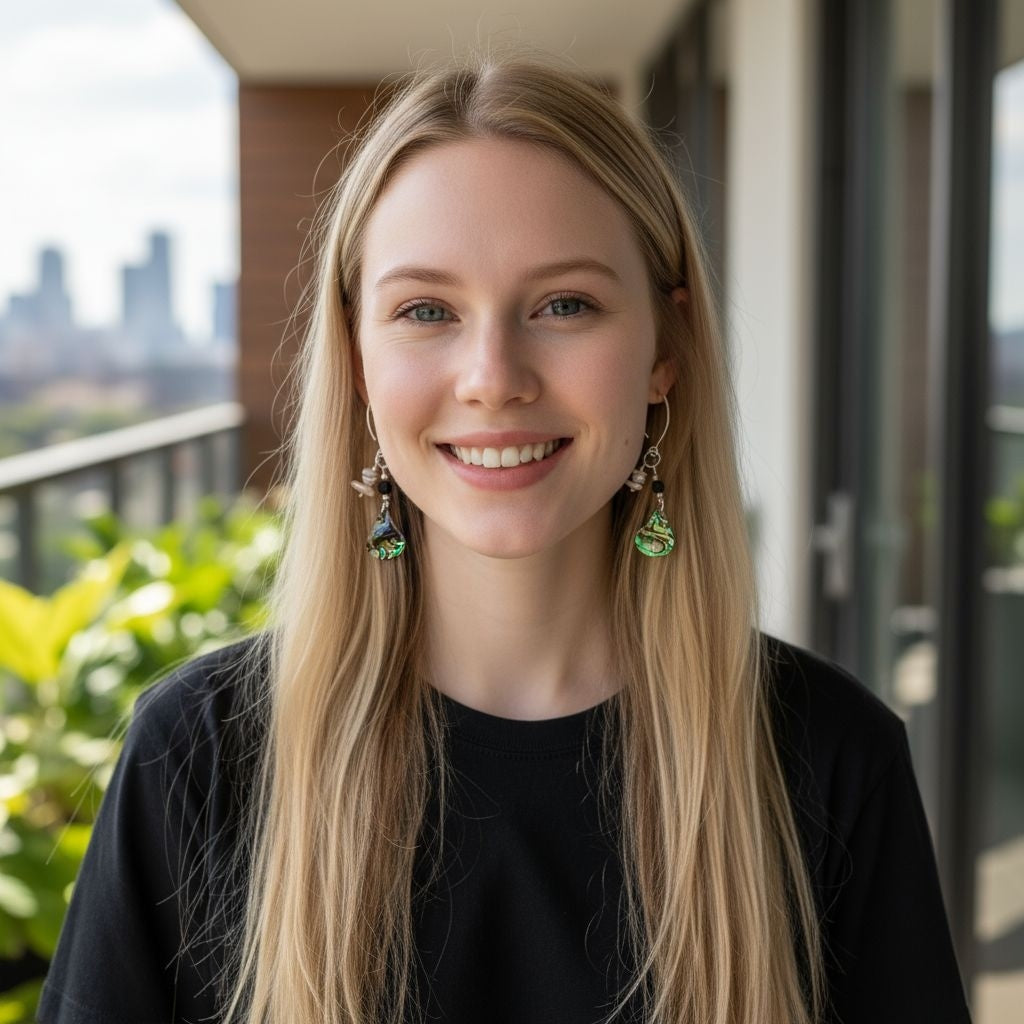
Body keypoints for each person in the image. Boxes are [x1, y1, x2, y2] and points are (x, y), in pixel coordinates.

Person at [38, 50, 972, 1024]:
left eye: (564, 305)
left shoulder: (829, 758)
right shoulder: (200, 757)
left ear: (666, 348)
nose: (492, 377)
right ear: (357, 360)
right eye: (425, 310)